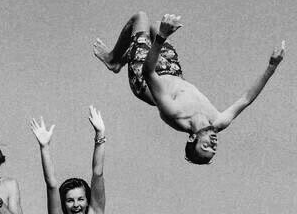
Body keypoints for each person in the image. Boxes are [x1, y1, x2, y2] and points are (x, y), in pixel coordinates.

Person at [93, 12, 284, 164]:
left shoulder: (175, 113)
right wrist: (271, 67)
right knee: (156, 25)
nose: (213, 146)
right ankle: (138, 46)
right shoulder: (219, 121)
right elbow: (246, 99)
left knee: (140, 18)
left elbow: (149, 72)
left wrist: (161, 38)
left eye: (205, 147)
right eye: (213, 150)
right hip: (172, 72)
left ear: (193, 139)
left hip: (144, 78)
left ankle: (113, 61)